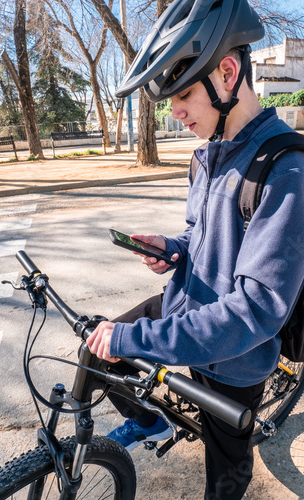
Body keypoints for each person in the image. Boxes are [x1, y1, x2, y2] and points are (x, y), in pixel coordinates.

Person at [86, 0, 304, 498]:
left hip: (235, 355)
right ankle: (151, 423)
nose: (175, 112)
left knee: (224, 478)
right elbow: (204, 236)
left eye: (182, 94)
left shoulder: (285, 168)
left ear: (228, 72)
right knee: (93, 353)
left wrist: (135, 340)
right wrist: (174, 249)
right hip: (186, 308)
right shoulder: (205, 153)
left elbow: (255, 310)